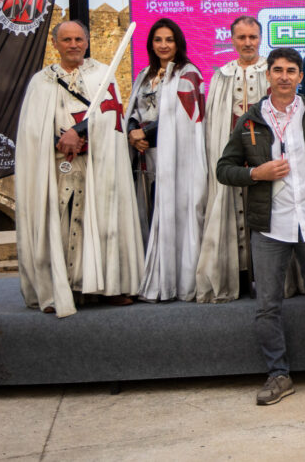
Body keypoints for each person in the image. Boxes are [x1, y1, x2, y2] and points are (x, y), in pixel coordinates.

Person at [216, 48, 305, 406]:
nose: (284, 76)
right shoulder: (249, 121)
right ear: (268, 75)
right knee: (267, 306)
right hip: (270, 227)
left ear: (300, 76)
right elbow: (223, 169)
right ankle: (278, 375)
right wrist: (255, 174)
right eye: (278, 70)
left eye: (291, 70)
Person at [15, 20, 144, 317]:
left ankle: (106, 285)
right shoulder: (41, 81)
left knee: (101, 221)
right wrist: (60, 140)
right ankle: (62, 287)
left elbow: (113, 117)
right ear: (55, 44)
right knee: (61, 221)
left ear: (86, 42)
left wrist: (80, 132)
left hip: (98, 163)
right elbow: (31, 129)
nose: (73, 45)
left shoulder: (103, 74)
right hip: (58, 164)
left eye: (78, 39)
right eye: (67, 40)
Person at [126, 18, 206, 302]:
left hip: (177, 158)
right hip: (147, 155)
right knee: (150, 213)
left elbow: (184, 120)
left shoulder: (188, 74)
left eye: (168, 40)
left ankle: (176, 281)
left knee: (176, 214)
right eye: (158, 40)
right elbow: (134, 108)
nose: (163, 45)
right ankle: (156, 276)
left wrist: (144, 131)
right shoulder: (145, 75)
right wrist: (134, 132)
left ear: (178, 43)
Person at [197, 15, 268, 302]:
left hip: (265, 155)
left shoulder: (272, 71)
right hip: (232, 156)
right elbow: (215, 121)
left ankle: (268, 276)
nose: (248, 42)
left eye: (252, 37)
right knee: (230, 208)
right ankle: (236, 274)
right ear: (233, 40)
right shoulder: (221, 76)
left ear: (260, 38)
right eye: (242, 37)